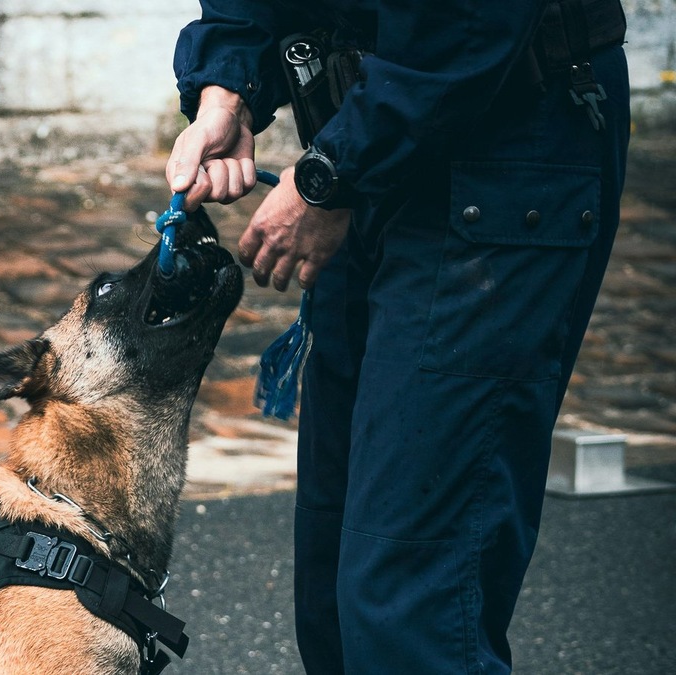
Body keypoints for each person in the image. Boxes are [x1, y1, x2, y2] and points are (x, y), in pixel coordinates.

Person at [166, 1, 629, 672]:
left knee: (411, 600)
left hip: (503, 139)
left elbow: (468, 25)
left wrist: (331, 180)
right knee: (333, 589)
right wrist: (226, 89)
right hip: (372, 123)